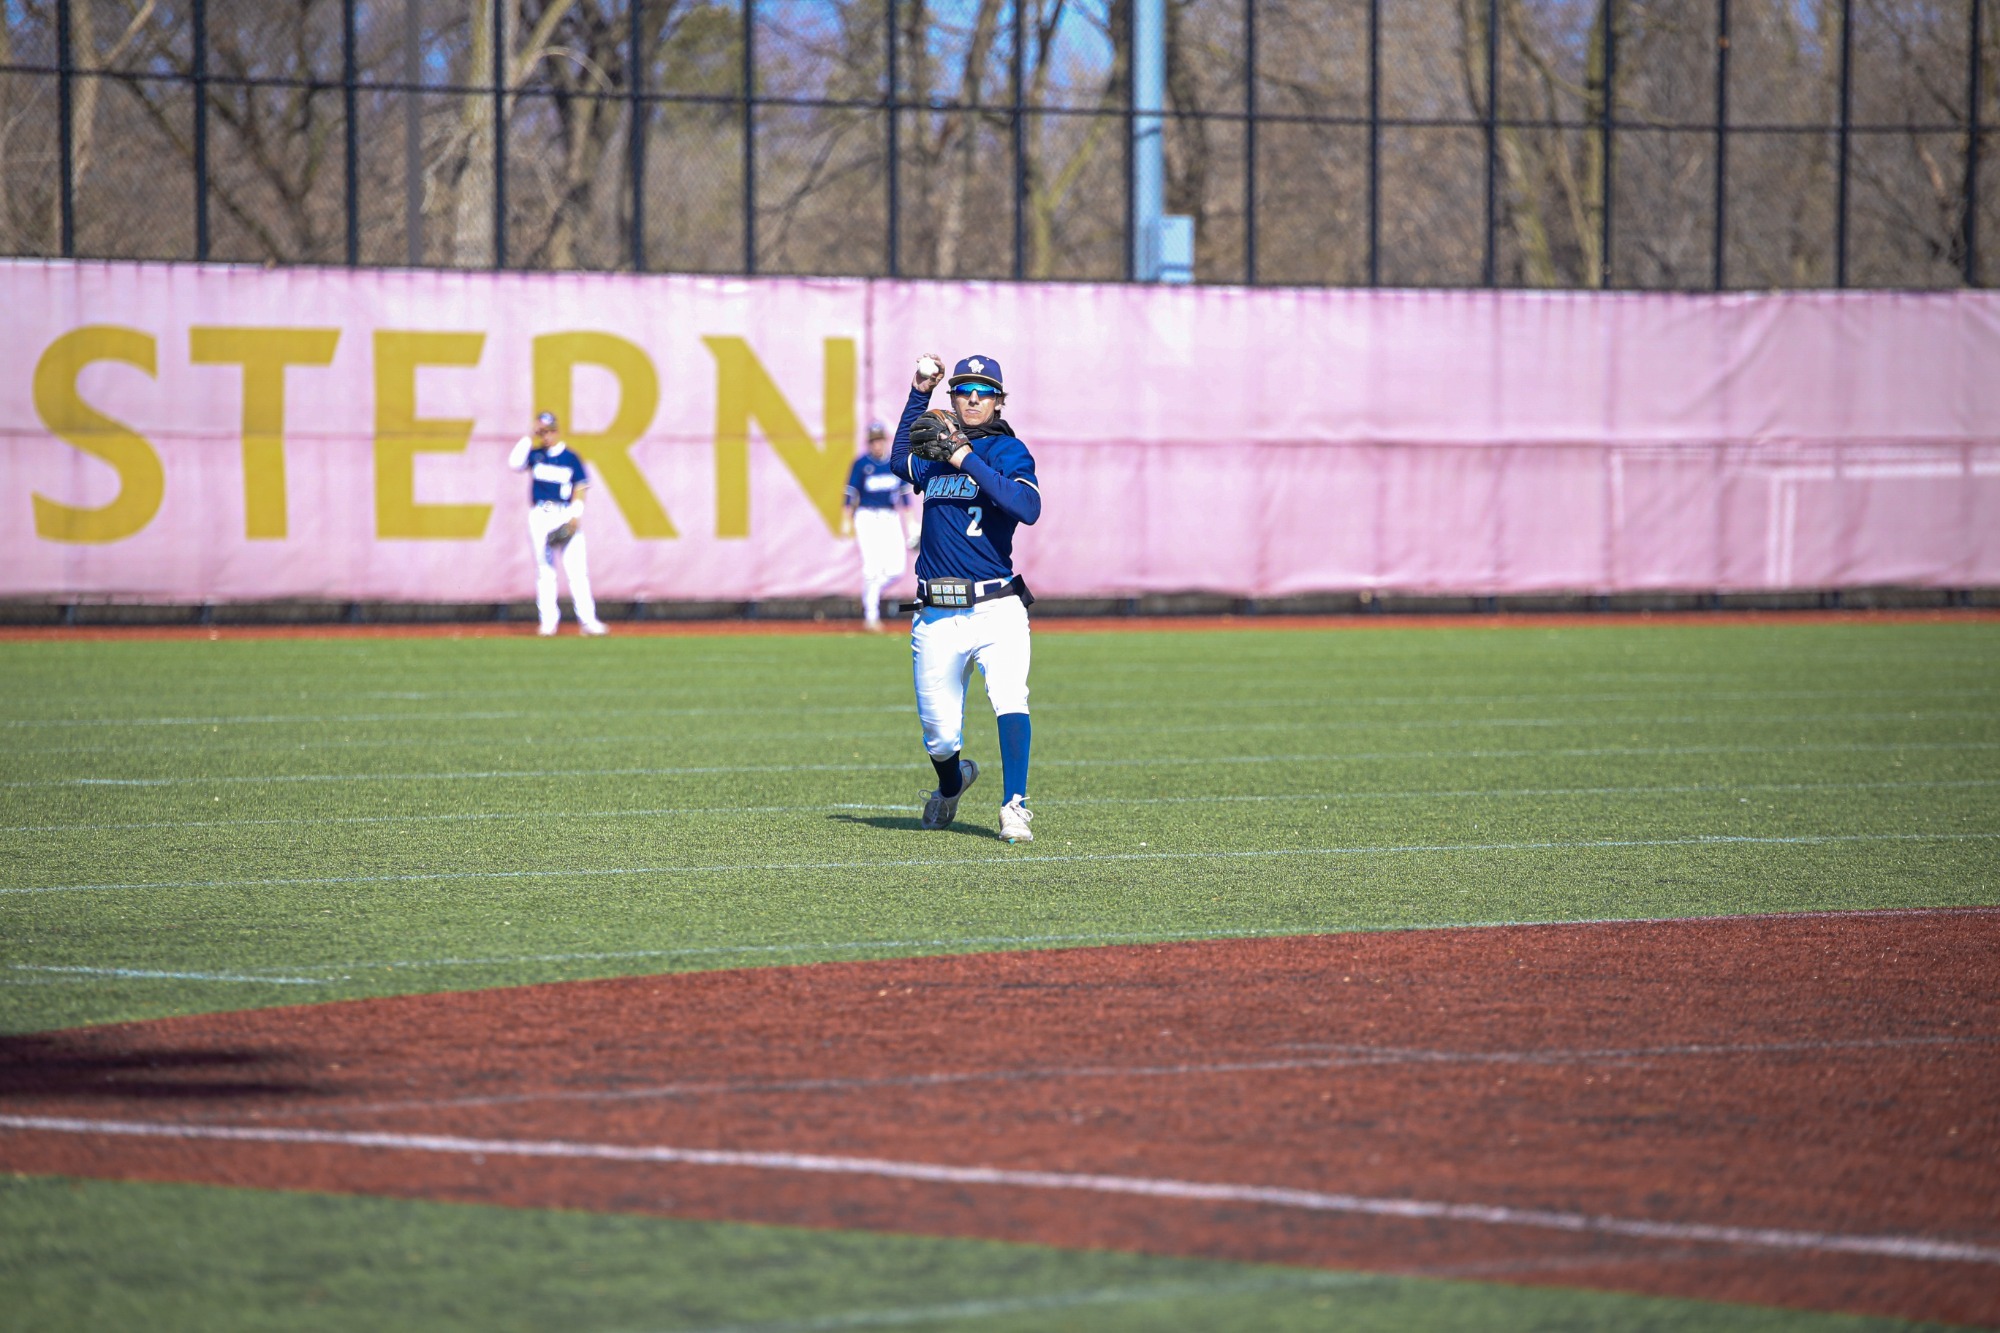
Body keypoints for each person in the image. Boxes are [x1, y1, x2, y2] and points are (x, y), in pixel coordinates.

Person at [893, 352, 1042, 844]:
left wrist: (964, 457)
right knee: (939, 737)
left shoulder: (1008, 452)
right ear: (953, 398)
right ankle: (952, 783)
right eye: (963, 390)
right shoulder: (935, 454)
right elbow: (898, 461)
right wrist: (919, 391)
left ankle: (1015, 805)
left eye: (983, 391)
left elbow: (1026, 506)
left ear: (998, 401)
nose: (972, 397)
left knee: (1010, 698)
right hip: (935, 613)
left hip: (997, 606)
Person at [506, 411, 607, 637]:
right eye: (543, 431)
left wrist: (575, 515)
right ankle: (549, 622)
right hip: (541, 513)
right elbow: (514, 463)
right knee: (545, 570)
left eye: (550, 430)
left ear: (557, 431)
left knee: (577, 570)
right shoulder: (536, 454)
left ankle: (588, 621)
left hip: (564, 512)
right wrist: (529, 436)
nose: (547, 435)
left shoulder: (570, 457)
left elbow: (580, 487)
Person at [842, 419, 917, 631]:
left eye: (879, 440)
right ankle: (871, 616)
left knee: (896, 569)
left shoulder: (894, 463)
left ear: (885, 441)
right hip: (867, 517)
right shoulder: (861, 464)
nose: (877, 445)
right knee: (872, 567)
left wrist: (911, 523)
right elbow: (851, 494)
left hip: (889, 517)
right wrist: (846, 520)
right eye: (873, 441)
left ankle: (870, 594)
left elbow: (904, 496)